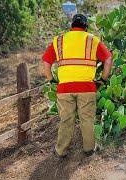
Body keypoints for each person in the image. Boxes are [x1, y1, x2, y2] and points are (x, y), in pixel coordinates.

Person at [42, 14, 113, 157]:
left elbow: (46, 62)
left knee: (66, 120)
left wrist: (51, 79)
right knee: (87, 120)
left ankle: (60, 151)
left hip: (64, 89)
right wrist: (103, 79)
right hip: (87, 88)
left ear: (71, 26)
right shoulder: (92, 40)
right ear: (86, 27)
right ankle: (89, 150)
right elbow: (108, 58)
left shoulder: (59, 40)